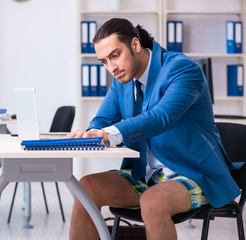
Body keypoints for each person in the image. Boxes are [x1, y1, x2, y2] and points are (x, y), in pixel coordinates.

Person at [67, 18, 243, 240]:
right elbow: (102, 119)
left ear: (135, 45)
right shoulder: (123, 79)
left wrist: (108, 135)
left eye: (115, 55)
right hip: (147, 177)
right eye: (104, 61)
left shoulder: (182, 69)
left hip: (194, 174)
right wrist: (90, 134)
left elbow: (161, 117)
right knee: (86, 188)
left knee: (152, 201)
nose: (111, 67)